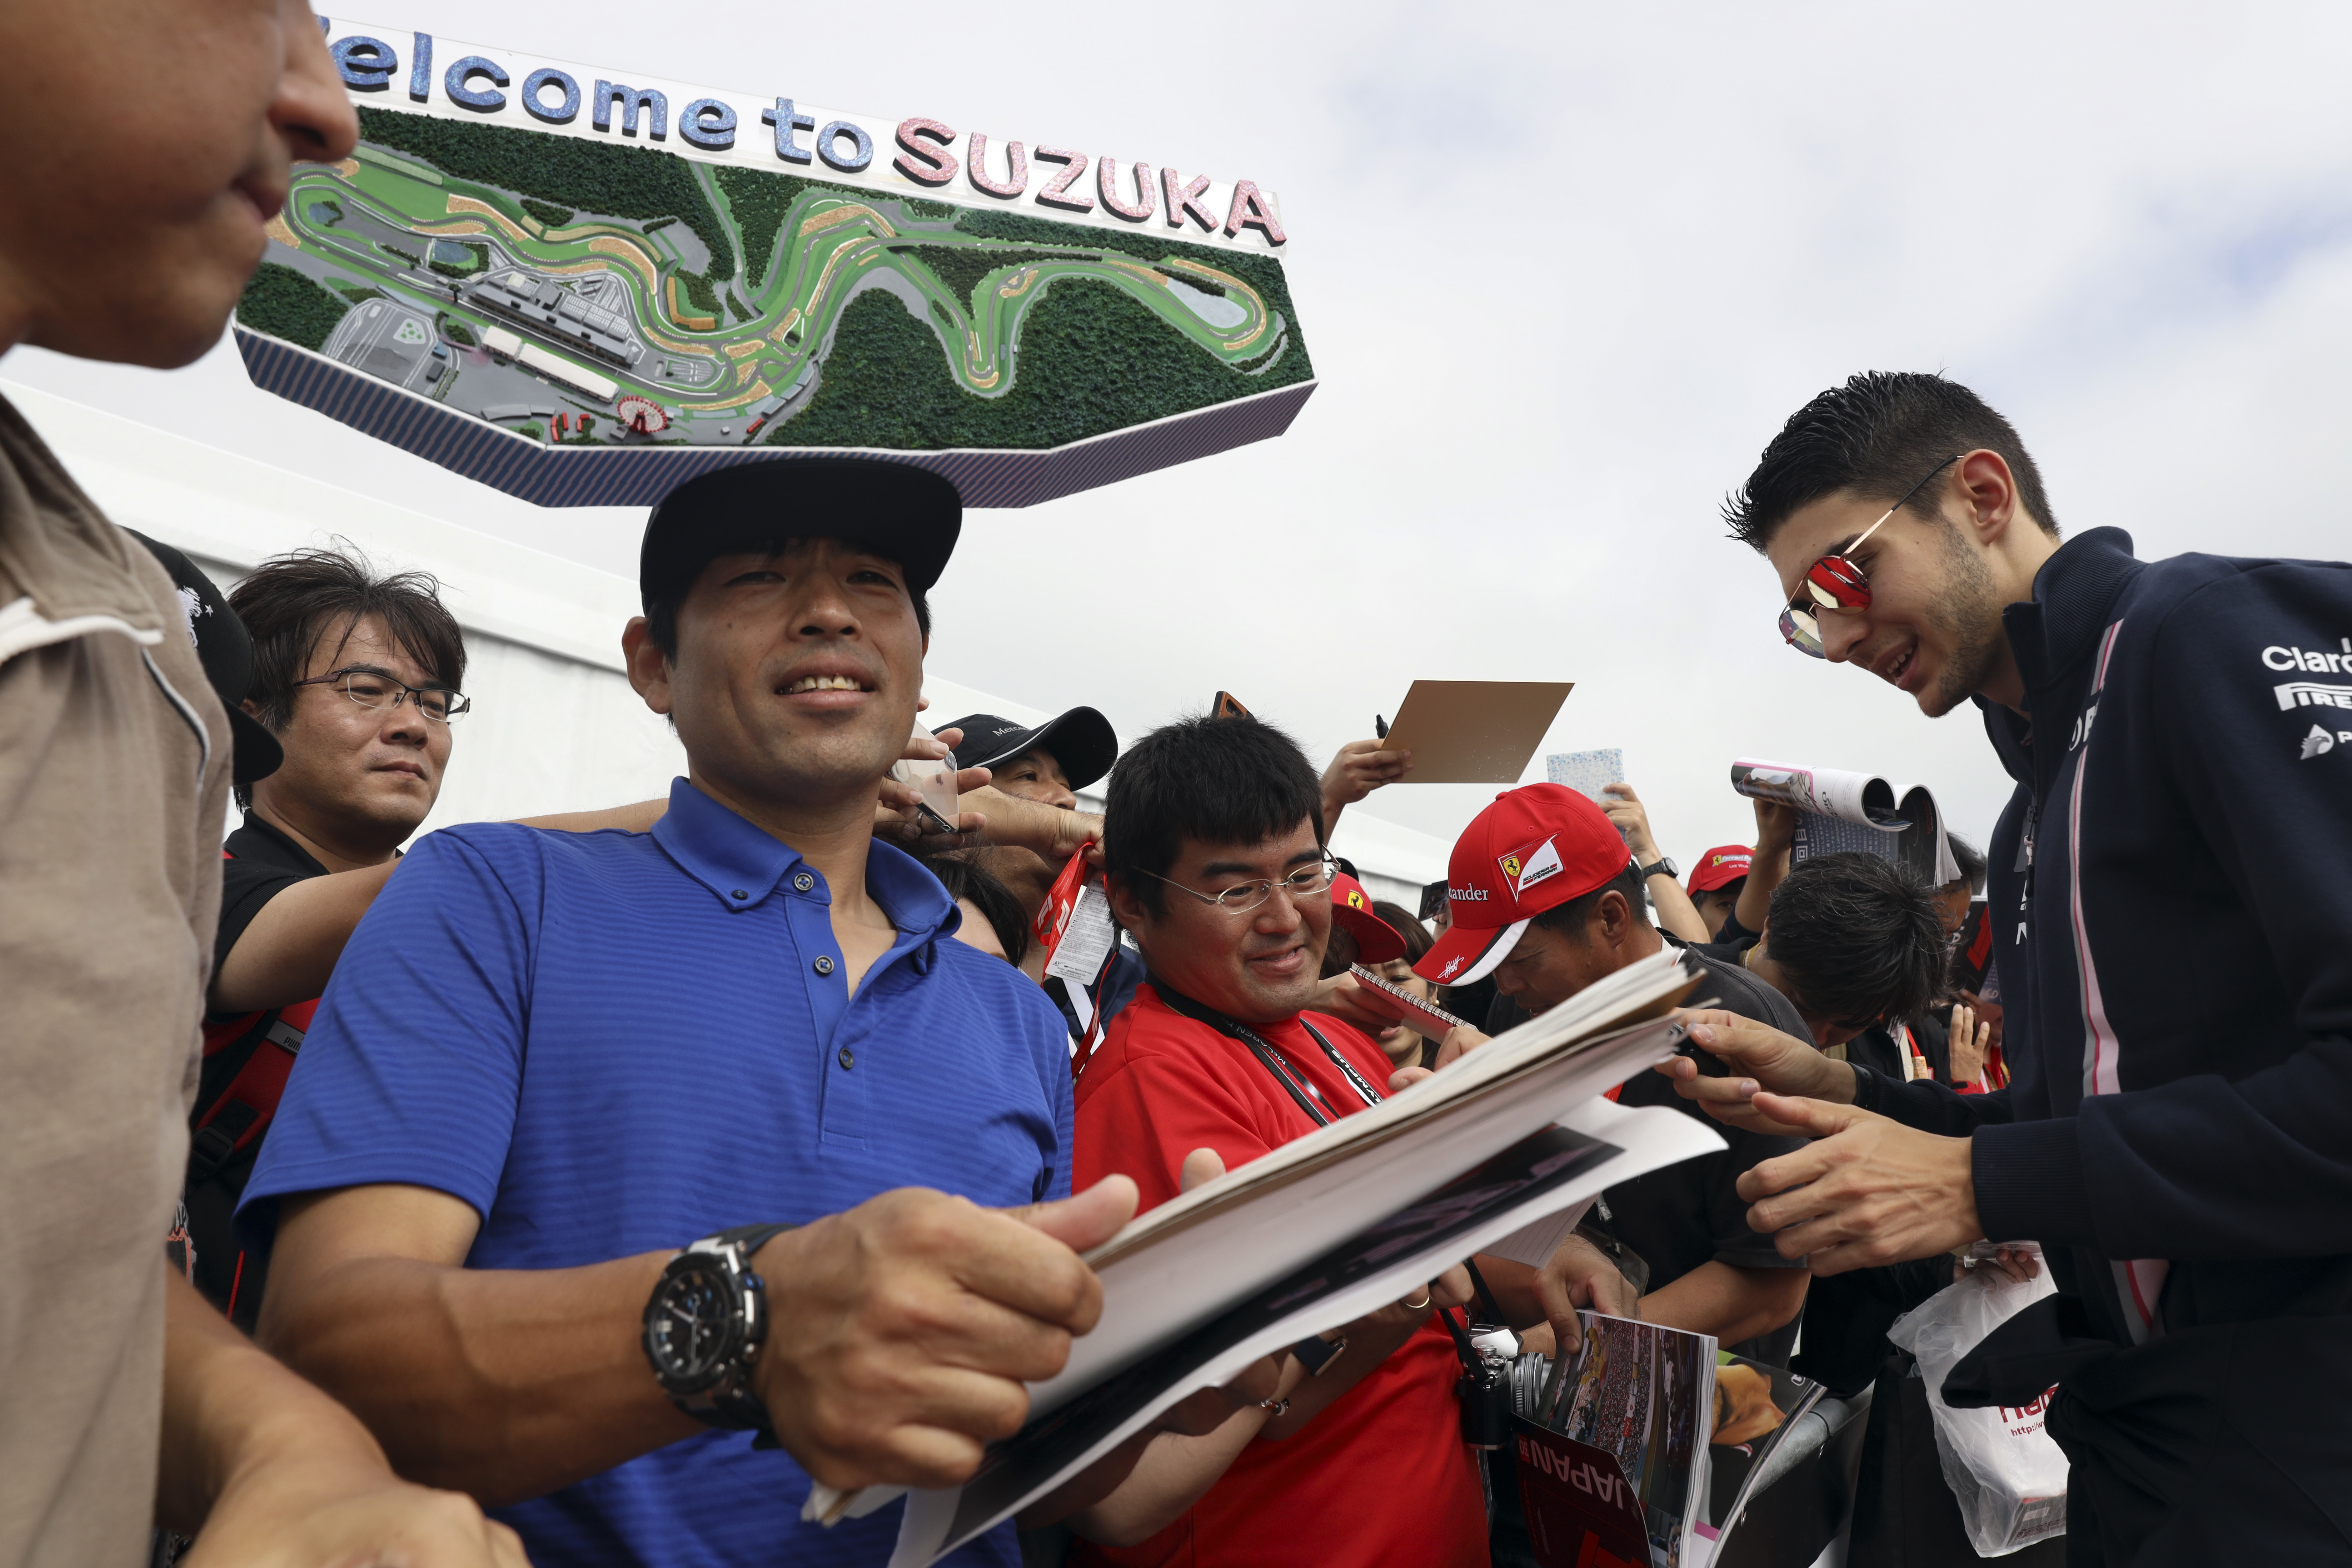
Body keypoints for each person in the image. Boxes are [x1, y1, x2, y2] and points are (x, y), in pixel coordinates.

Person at [242, 459, 1176, 1566]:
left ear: (918, 671)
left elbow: (1052, 1472)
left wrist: (1195, 1349)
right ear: (652, 664)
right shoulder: (489, 895)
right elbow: (331, 1353)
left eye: (873, 581)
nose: (827, 609)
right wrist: (753, 1319)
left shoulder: (1013, 1018)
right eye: (758, 576)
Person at [0, 3, 525, 1562]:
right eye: (249, 5)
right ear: (267, 718)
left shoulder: (117, 628)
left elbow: (69, 1258)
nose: (326, 104)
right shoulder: (292, 884)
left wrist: (291, 1444)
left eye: (438, 698)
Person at [1675, 369, 2352, 1560]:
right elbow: (2073, 1120)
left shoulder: (2190, 634)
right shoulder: (2037, 788)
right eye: (1801, 616)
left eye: (1842, 575)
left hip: (2296, 1436)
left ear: (1980, 495)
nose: (1833, 637)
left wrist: (1980, 1178)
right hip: (2151, 1433)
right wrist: (1852, 1093)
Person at [1080, 716, 1633, 1568]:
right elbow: (1219, 1415)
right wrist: (1390, 1303)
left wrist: (1545, 1251)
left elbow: (1438, 1257)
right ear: (1129, 900)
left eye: (1304, 873)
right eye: (1234, 890)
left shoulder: (1324, 1032)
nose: (1286, 918)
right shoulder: (1155, 1081)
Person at [1405, 784, 1813, 1363]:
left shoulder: (1741, 1031)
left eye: (1520, 961)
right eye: (1493, 968)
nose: (1506, 987)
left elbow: (1770, 1285)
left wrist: (1584, 1343)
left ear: (1611, 918)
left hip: (1698, 1411)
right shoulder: (1523, 1009)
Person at [1683, 844, 1753, 942]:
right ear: (1694, 914)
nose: (1744, 918)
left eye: (1756, 907)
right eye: (1727, 905)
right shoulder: (1665, 955)